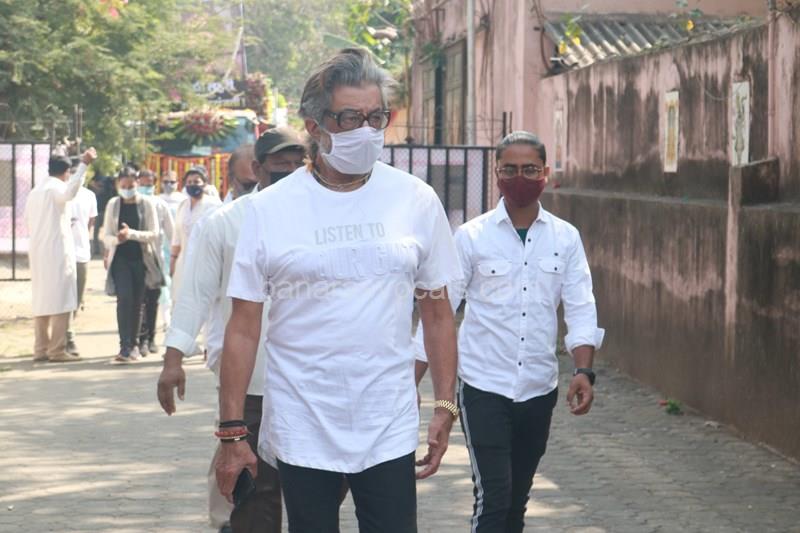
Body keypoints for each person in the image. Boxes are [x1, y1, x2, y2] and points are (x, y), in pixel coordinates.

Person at [215, 48, 462, 533]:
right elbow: (243, 326)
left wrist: (445, 405)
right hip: (303, 419)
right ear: (315, 125)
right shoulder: (271, 209)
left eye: (376, 117)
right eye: (350, 118)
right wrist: (231, 432)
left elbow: (437, 313)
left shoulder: (415, 199)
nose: (366, 131)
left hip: (387, 419)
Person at [415, 131, 605, 533]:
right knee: (494, 498)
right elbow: (439, 314)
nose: (521, 178)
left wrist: (583, 370)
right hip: (483, 386)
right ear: (497, 173)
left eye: (530, 169)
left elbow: (580, 306)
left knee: (517, 501)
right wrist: (410, 382)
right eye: (511, 169)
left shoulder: (565, 238)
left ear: (545, 173)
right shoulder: (471, 237)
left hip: (538, 387)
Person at [158, 129, 305, 533]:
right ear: (258, 168)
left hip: (312, 380)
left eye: (299, 164)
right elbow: (195, 294)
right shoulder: (225, 223)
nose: (292, 172)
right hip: (250, 382)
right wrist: (173, 359)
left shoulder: (322, 217)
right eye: (281, 165)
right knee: (256, 493)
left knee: (315, 492)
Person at [24, 148, 97, 363]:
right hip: (57, 252)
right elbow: (70, 192)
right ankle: (56, 350)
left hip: (38, 253)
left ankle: (40, 348)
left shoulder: (35, 191)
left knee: (42, 299)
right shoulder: (56, 188)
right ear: (66, 172)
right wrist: (84, 164)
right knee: (62, 300)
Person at [103, 167, 164, 362]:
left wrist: (131, 234)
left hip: (141, 258)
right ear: (117, 185)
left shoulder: (146, 204)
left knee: (138, 302)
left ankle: (135, 344)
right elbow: (106, 236)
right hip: (120, 259)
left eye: (131, 186)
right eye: (124, 186)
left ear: (137, 184)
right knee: (124, 299)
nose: (127, 189)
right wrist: (117, 239)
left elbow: (154, 233)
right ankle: (124, 346)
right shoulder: (113, 204)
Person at [136, 169, 175, 356]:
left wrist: (174, 256)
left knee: (153, 299)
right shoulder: (132, 203)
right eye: (143, 183)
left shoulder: (160, 204)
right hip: (135, 258)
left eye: (149, 184)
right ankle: (140, 339)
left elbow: (172, 233)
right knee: (139, 300)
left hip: (156, 258)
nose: (146, 187)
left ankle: (151, 338)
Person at [170, 166, 220, 300]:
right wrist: (173, 261)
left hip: (206, 263)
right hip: (183, 263)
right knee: (181, 300)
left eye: (196, 182)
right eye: (189, 182)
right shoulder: (182, 206)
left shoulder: (214, 205)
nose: (192, 185)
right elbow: (177, 237)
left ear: (205, 183)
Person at [65, 158, 98, 356]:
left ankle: (67, 332)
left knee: (77, 298)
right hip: (62, 253)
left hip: (82, 253)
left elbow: (90, 223)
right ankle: (68, 338)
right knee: (64, 298)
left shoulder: (89, 196)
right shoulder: (62, 193)